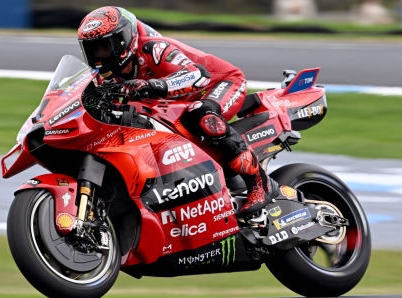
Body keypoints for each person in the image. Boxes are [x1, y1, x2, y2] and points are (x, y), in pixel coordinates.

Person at [77, 6, 279, 217]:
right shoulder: (105, 75)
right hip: (180, 99)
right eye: (94, 49)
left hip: (220, 83)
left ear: (124, 39)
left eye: (105, 46)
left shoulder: (153, 48)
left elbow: (197, 75)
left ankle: (259, 183)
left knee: (201, 113)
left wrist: (153, 86)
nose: (100, 55)